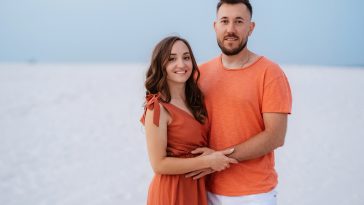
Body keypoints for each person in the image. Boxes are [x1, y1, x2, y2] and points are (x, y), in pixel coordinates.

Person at [185, 0, 292, 204]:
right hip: (205, 190)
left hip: (254, 194)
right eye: (224, 21)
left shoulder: (270, 73)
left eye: (239, 21)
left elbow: (275, 136)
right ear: (215, 26)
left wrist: (218, 157)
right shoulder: (200, 74)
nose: (230, 29)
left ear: (250, 28)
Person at [140, 36, 238, 205]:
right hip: (171, 191)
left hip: (196, 188)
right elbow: (159, 164)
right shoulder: (157, 108)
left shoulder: (195, 101)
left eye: (186, 57)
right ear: (161, 65)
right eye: (172, 59)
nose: (181, 64)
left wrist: (212, 154)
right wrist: (208, 161)